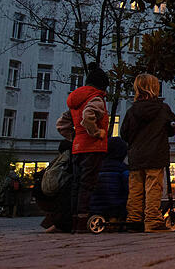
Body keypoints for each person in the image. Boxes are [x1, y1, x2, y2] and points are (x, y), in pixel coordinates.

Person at [122, 73, 175, 233]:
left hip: (136, 156)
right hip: (156, 154)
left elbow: (124, 134)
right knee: (153, 188)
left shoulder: (132, 111)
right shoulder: (162, 109)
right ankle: (152, 220)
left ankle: (134, 220)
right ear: (155, 88)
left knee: (135, 189)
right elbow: (173, 127)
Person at [57, 63, 110, 233]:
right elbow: (88, 117)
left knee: (76, 185)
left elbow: (62, 124)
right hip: (92, 148)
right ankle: (82, 222)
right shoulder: (96, 98)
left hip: (77, 148)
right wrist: (96, 132)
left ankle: (74, 221)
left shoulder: (76, 101)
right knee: (88, 185)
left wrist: (75, 137)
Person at [35, 140, 74, 233]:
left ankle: (54, 223)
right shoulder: (68, 158)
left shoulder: (57, 160)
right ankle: (58, 224)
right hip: (50, 195)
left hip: (42, 194)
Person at [89, 137, 130, 222]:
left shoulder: (95, 168)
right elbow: (129, 189)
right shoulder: (123, 169)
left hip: (95, 208)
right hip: (116, 207)